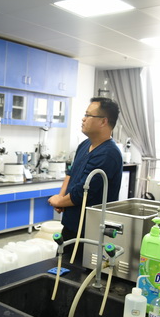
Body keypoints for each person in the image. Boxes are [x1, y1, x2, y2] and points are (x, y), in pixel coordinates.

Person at [48, 97, 123, 262]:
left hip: (89, 230)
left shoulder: (108, 153)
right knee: (61, 265)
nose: (83, 119)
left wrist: (60, 202)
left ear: (103, 121)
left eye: (88, 115)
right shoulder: (84, 145)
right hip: (71, 224)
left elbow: (82, 193)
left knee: (79, 271)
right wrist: (61, 198)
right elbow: (70, 174)